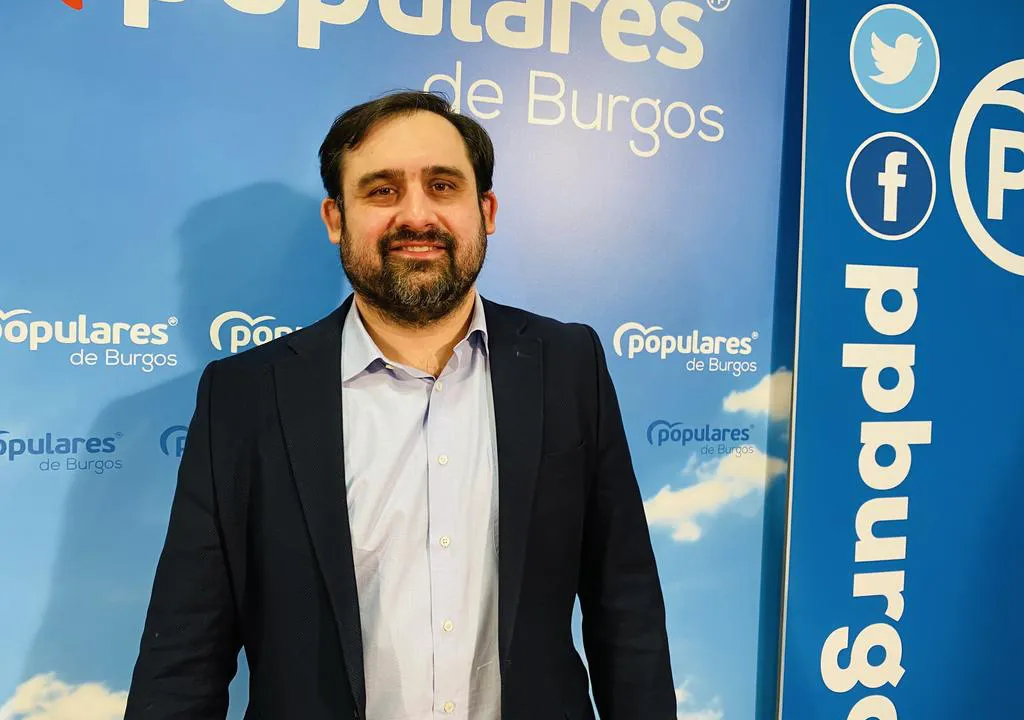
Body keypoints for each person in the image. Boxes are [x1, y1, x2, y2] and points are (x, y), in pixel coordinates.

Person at [125, 91, 675, 720]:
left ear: (486, 210)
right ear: (336, 218)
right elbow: (185, 651)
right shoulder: (244, 395)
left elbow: (625, 604)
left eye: (443, 186)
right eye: (382, 190)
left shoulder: (568, 365)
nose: (416, 215)